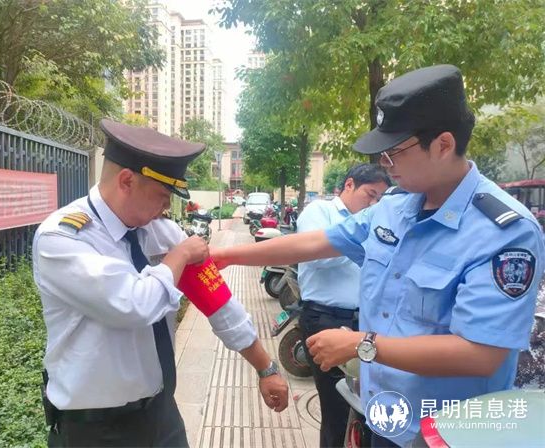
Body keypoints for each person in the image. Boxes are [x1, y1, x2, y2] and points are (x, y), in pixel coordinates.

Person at [211, 65, 545, 447]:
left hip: (445, 432)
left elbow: (481, 354)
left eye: (395, 152)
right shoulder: (394, 207)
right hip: (383, 414)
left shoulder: (503, 231)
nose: (385, 164)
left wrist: (361, 344)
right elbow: (317, 242)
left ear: (443, 145)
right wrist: (227, 256)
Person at [33, 119, 288, 448]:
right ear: (127, 181)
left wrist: (265, 367)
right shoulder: (64, 238)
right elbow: (133, 305)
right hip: (96, 431)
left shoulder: (161, 232)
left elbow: (218, 302)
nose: (167, 207)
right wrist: (178, 257)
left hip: (162, 418)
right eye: (162, 196)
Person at [297, 163, 390, 448]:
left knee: (371, 405)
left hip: (364, 325)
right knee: (336, 406)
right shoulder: (319, 212)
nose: (373, 205)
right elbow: (318, 257)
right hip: (326, 320)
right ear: (349, 185)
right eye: (370, 195)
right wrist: (361, 235)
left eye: (379, 200)